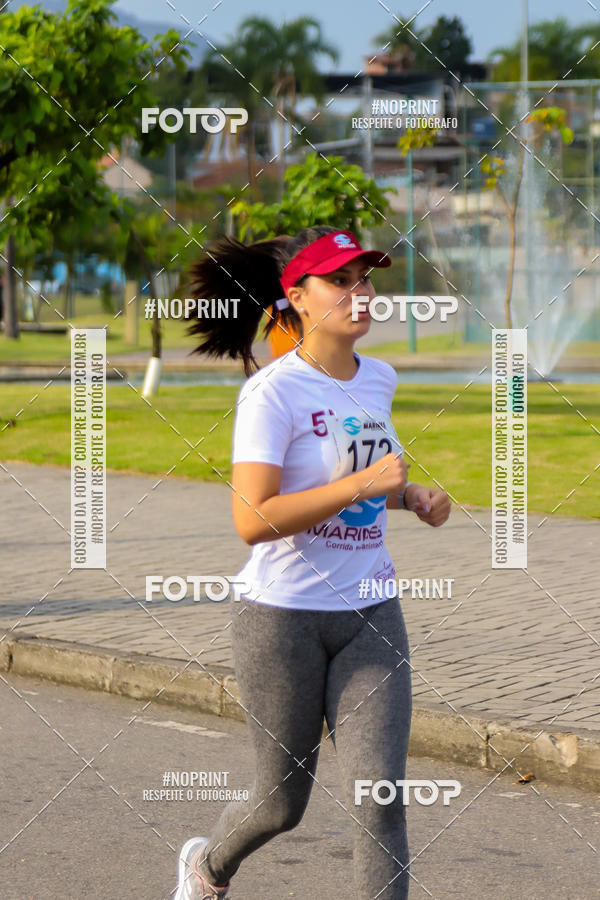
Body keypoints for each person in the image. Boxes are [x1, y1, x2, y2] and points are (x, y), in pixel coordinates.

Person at [174, 226, 451, 899]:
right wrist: (363, 485)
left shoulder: (379, 378)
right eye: (342, 281)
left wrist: (409, 495)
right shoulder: (272, 394)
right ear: (297, 296)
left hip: (371, 616)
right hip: (282, 622)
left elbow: (362, 478)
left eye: (366, 279)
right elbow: (253, 518)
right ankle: (207, 868)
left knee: (379, 796)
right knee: (280, 803)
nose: (362, 294)